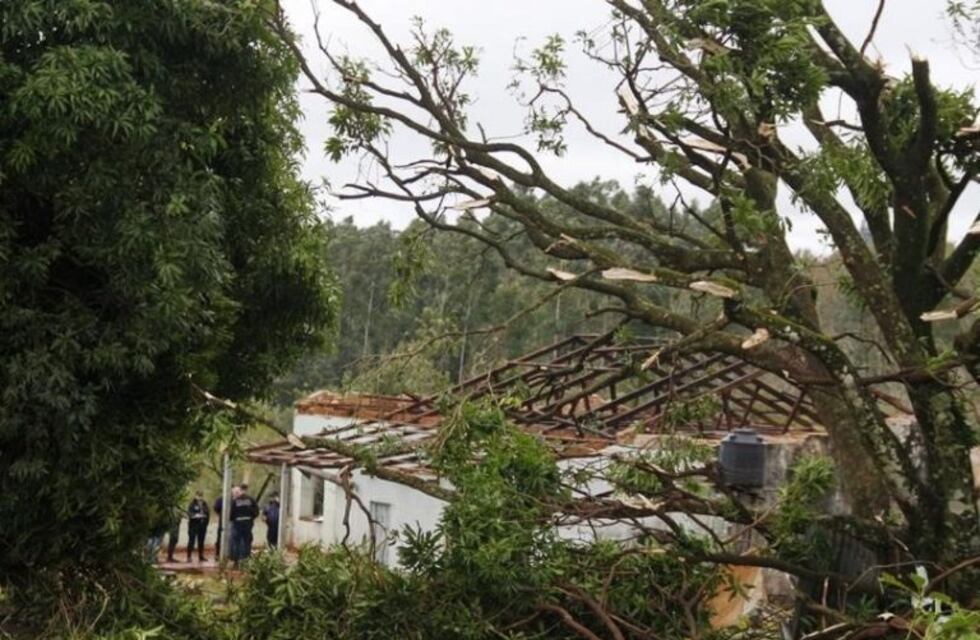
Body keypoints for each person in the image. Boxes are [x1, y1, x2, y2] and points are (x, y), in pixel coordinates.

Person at [229, 483, 258, 566]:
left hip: (237, 523)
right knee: (247, 542)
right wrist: (251, 518)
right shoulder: (251, 500)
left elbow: (231, 513)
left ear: (240, 490)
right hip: (248, 523)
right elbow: (256, 512)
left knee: (236, 542)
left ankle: (236, 561)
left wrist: (233, 519)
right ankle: (246, 559)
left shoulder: (235, 501)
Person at [186, 490, 210, 562]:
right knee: (191, 541)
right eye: (198, 496)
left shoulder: (204, 504)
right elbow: (190, 513)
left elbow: (208, 513)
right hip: (194, 525)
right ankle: (189, 556)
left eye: (201, 496)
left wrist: (206, 523)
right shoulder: (192, 504)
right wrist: (195, 516)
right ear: (195, 496)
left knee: (201, 541)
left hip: (202, 526)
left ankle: (201, 556)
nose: (200, 498)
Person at [213, 492, 224, 560]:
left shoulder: (234, 498)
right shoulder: (220, 499)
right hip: (222, 521)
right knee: (220, 537)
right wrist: (220, 514)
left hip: (232, 521)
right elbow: (216, 508)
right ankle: (217, 554)